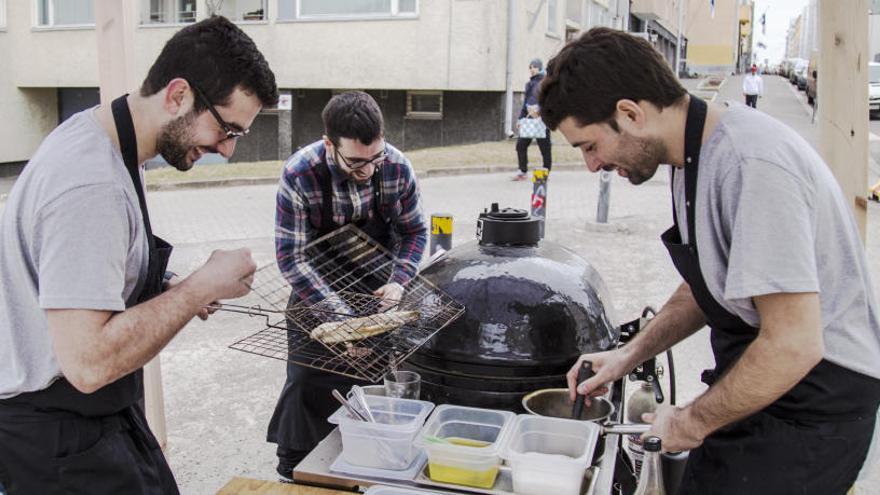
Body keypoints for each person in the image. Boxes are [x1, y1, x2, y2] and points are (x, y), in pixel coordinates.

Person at [539, 28, 880, 494]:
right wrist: (628, 354)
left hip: (812, 405)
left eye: (589, 146)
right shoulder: (691, 152)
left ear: (630, 113)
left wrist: (691, 420)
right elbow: (710, 283)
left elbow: (794, 344)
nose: (592, 167)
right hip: (765, 382)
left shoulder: (750, 163)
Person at [0, 16, 277, 494]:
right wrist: (197, 290)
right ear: (177, 95)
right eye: (228, 129)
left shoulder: (100, 139)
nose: (227, 151)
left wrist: (167, 290)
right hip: (58, 437)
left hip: (89, 418)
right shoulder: (91, 185)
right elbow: (87, 363)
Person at [269, 91, 427, 481]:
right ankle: (296, 470)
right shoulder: (300, 174)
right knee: (307, 379)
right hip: (317, 285)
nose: (369, 170)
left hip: (377, 285)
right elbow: (292, 257)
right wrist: (340, 321)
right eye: (356, 161)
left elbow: (413, 233)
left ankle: (364, 465)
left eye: (375, 158)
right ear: (329, 145)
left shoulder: (396, 167)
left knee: (373, 377)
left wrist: (398, 282)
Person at [513, 58, 552, 181]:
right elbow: (526, 103)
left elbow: (549, 100)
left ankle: (546, 171)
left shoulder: (546, 82)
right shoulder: (529, 84)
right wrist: (520, 119)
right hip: (529, 120)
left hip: (542, 120)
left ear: (540, 68)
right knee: (520, 145)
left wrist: (540, 110)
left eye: (534, 67)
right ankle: (522, 171)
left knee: (545, 147)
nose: (531, 69)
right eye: (530, 67)